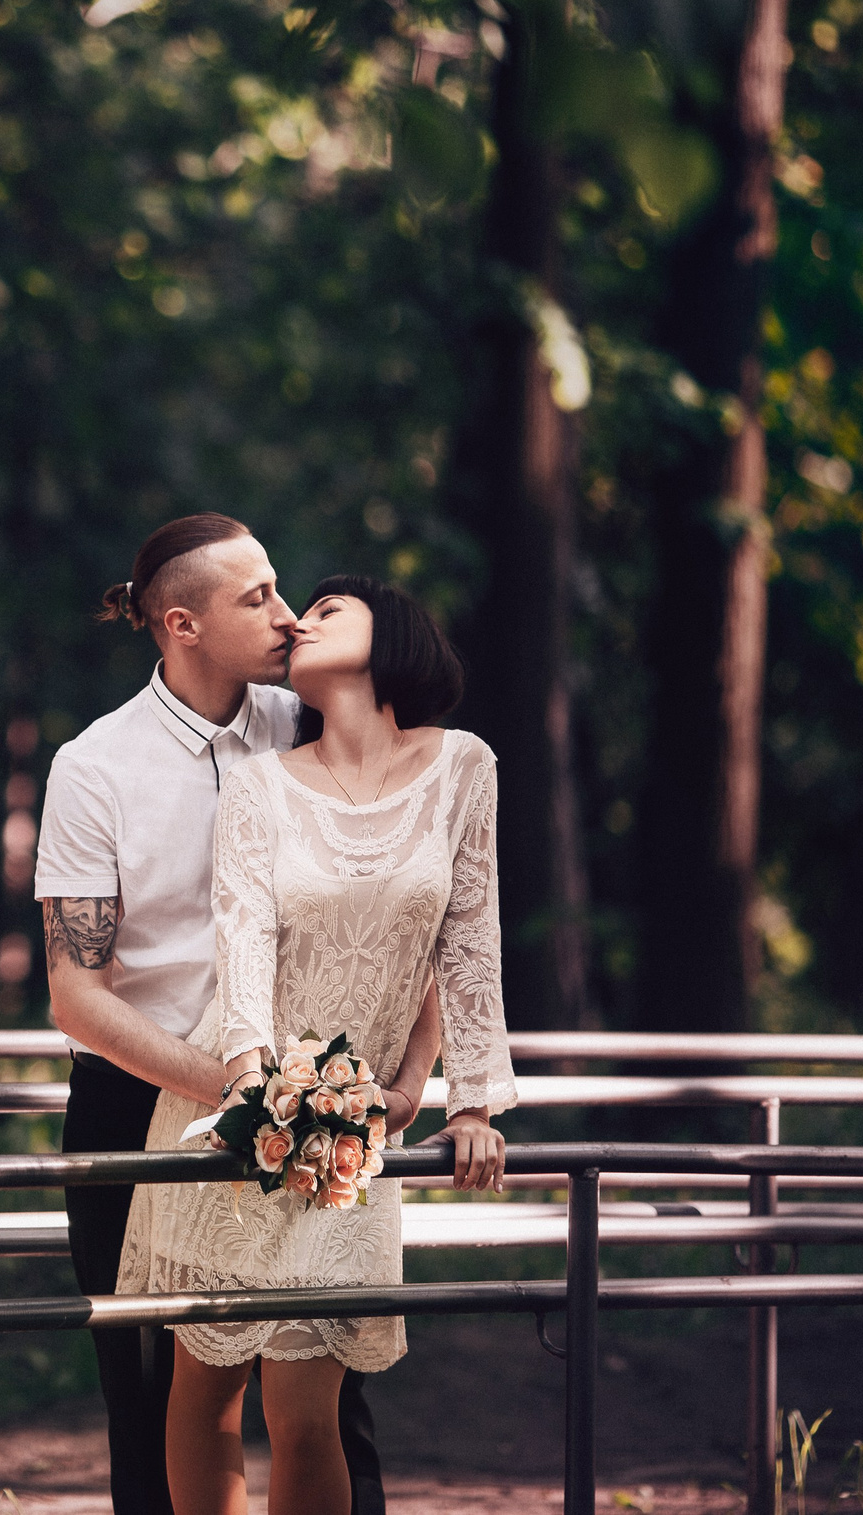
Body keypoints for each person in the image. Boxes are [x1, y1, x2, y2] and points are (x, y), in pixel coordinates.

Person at [37, 519, 440, 1515]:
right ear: (180, 624)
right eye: (256, 596)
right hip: (140, 1107)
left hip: (318, 1105)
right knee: (149, 1402)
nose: (287, 613)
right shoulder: (94, 769)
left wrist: (394, 1086)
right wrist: (239, 1091)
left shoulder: (312, 726)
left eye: (281, 587)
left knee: (330, 1406)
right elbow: (74, 995)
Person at [119, 574, 516, 1515]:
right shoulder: (258, 782)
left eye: (328, 610)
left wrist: (463, 1096)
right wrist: (253, 1079)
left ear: (395, 637)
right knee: (208, 1386)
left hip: (358, 1121)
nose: (299, 620)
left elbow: (465, 939)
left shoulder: (464, 766)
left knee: (311, 1402)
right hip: (243, 1108)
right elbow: (241, 932)